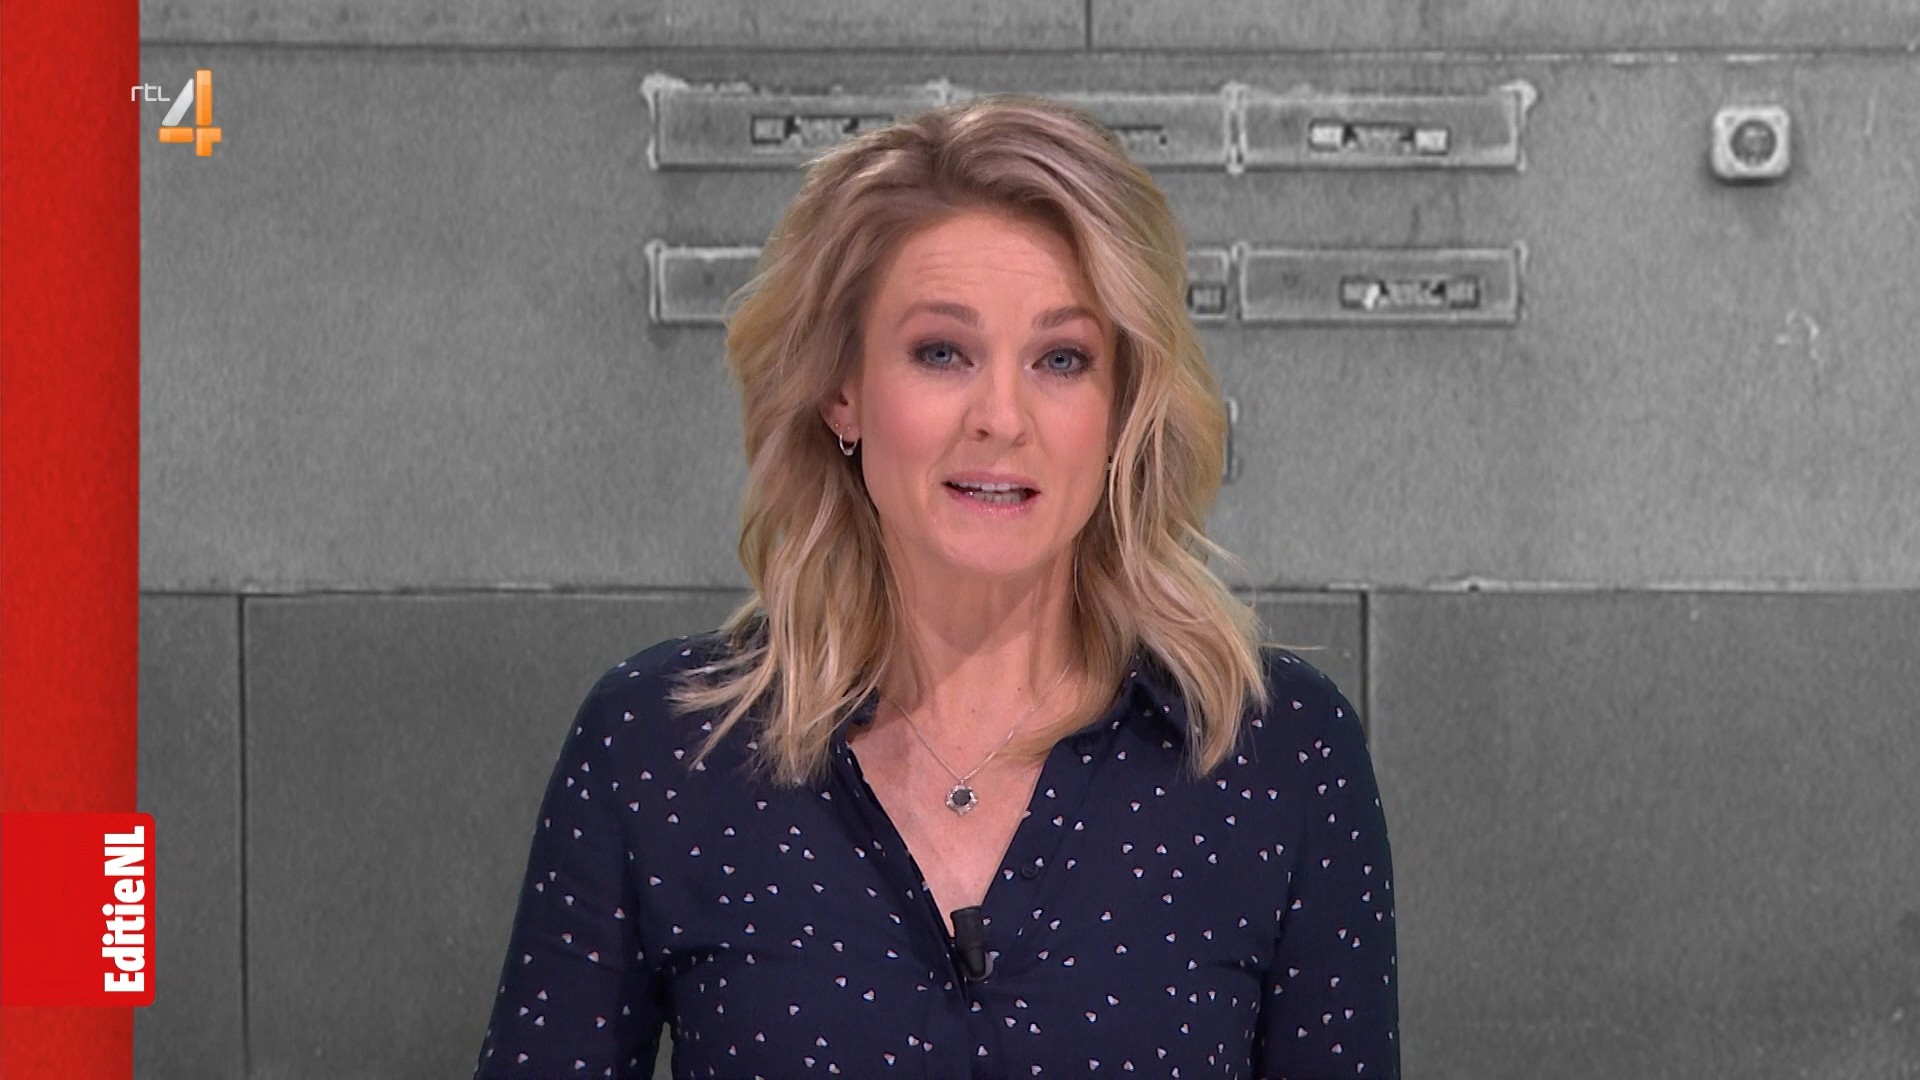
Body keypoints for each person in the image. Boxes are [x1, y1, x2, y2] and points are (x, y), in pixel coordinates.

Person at [473, 93, 1398, 1079]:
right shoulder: (659, 748)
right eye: (942, 353)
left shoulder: (1282, 756)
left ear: (1122, 405)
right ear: (843, 391)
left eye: (1062, 359)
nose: (1001, 416)